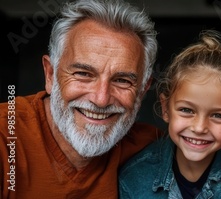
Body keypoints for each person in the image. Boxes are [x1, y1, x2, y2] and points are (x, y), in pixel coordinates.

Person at [0, 0, 160, 198]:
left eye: (122, 80)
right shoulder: (5, 137)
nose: (101, 99)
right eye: (83, 73)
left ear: (142, 91)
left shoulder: (155, 150)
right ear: (50, 75)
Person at [118, 30, 221, 199]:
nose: (199, 127)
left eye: (218, 116)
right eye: (187, 110)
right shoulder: (135, 179)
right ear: (166, 108)